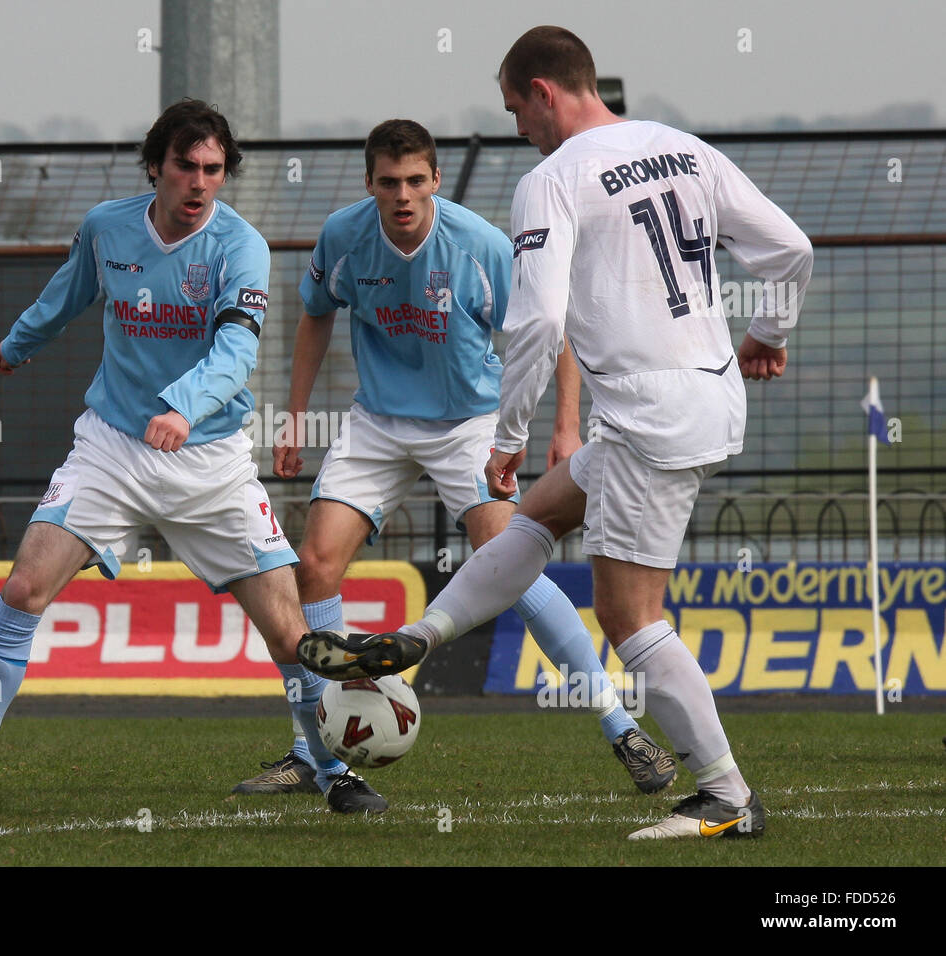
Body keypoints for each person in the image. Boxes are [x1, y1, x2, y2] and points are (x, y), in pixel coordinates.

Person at [298, 26, 813, 840]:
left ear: (543, 91)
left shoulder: (553, 177)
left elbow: (536, 318)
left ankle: (726, 797)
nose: (515, 129)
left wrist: (507, 435)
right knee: (536, 519)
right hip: (699, 399)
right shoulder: (683, 148)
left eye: (513, 108)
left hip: (650, 416)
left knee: (630, 616)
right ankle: (415, 639)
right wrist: (770, 336)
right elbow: (790, 248)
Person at [0, 100, 386, 822]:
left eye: (214, 169)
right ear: (156, 166)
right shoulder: (109, 228)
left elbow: (235, 353)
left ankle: (331, 768)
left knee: (291, 635)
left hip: (212, 461)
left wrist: (184, 407)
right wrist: (19, 342)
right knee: (24, 587)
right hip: (113, 448)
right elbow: (68, 292)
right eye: (186, 166)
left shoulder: (240, 246)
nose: (199, 183)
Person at [233, 119, 675, 798]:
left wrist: (565, 425)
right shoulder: (344, 237)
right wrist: (294, 416)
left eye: (415, 180)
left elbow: (548, 327)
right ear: (370, 184)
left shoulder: (480, 247)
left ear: (435, 180)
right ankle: (317, 752)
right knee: (315, 565)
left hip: (469, 423)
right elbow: (316, 312)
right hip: (378, 423)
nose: (403, 195)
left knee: (512, 565)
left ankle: (621, 727)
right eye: (389, 182)